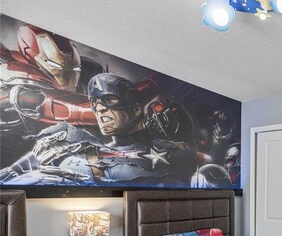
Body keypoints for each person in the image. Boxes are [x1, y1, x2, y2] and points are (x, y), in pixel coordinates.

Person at [0, 73, 201, 186]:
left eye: (110, 100)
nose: (100, 108)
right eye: (95, 103)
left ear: (136, 109)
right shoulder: (74, 138)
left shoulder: (173, 150)